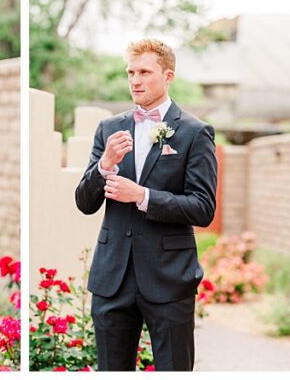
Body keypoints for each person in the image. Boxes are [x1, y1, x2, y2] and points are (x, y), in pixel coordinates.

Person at [74, 38, 217, 371]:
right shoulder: (110, 129)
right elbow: (84, 202)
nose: (134, 80)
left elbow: (203, 207)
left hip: (169, 278)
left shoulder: (195, 133)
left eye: (144, 72)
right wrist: (105, 164)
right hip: (113, 278)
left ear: (168, 76)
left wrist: (143, 196)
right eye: (130, 72)